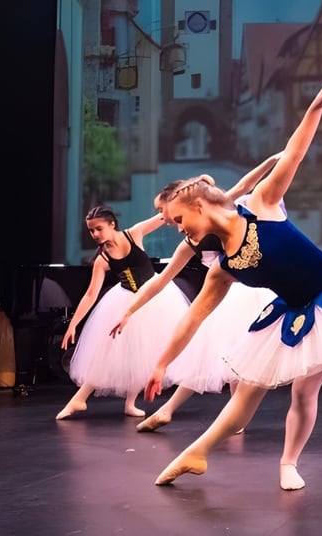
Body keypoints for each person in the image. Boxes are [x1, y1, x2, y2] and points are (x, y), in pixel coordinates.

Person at [142, 73, 322, 490]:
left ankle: (287, 463)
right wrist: (162, 363)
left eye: (179, 220)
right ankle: (197, 453)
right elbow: (194, 317)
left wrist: (314, 107)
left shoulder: (263, 205)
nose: (180, 230)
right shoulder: (223, 266)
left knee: (303, 394)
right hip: (291, 314)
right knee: (247, 393)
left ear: (198, 205)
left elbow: (293, 153)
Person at [111, 161, 281, 433]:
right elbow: (160, 281)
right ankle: (180, 411)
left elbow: (245, 184)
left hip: (246, 290)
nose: (165, 219)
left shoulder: (218, 208)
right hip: (224, 294)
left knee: (234, 356)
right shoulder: (190, 241)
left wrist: (275, 162)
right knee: (215, 353)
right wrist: (130, 310)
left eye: (164, 211)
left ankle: (231, 419)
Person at [55, 206, 188, 420]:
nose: (95, 234)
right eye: (91, 231)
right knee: (109, 350)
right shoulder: (103, 259)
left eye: (99, 228)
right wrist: (73, 324)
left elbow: (163, 217)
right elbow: (90, 295)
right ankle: (79, 399)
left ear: (112, 225)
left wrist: (186, 198)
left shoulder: (134, 233)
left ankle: (130, 403)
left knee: (142, 352)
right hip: (126, 299)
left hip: (154, 295)